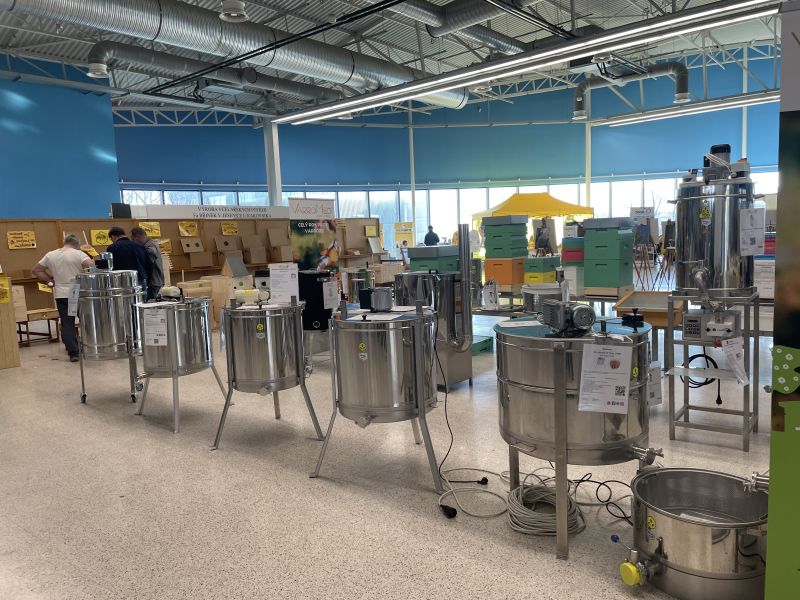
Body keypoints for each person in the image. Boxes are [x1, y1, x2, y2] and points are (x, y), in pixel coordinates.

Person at [32, 234, 93, 362]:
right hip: (76, 289)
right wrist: (90, 253)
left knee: (67, 323)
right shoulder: (79, 254)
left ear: (65, 242)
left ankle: (73, 352)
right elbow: (91, 266)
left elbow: (36, 270)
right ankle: (91, 346)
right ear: (76, 244)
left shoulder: (51, 254)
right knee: (86, 320)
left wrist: (49, 279)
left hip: (61, 292)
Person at [130, 227, 164, 300]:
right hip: (154, 281)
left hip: (153, 281)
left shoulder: (150, 245)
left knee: (151, 303)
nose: (133, 242)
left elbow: (149, 259)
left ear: (138, 237)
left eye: (133, 240)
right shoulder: (151, 243)